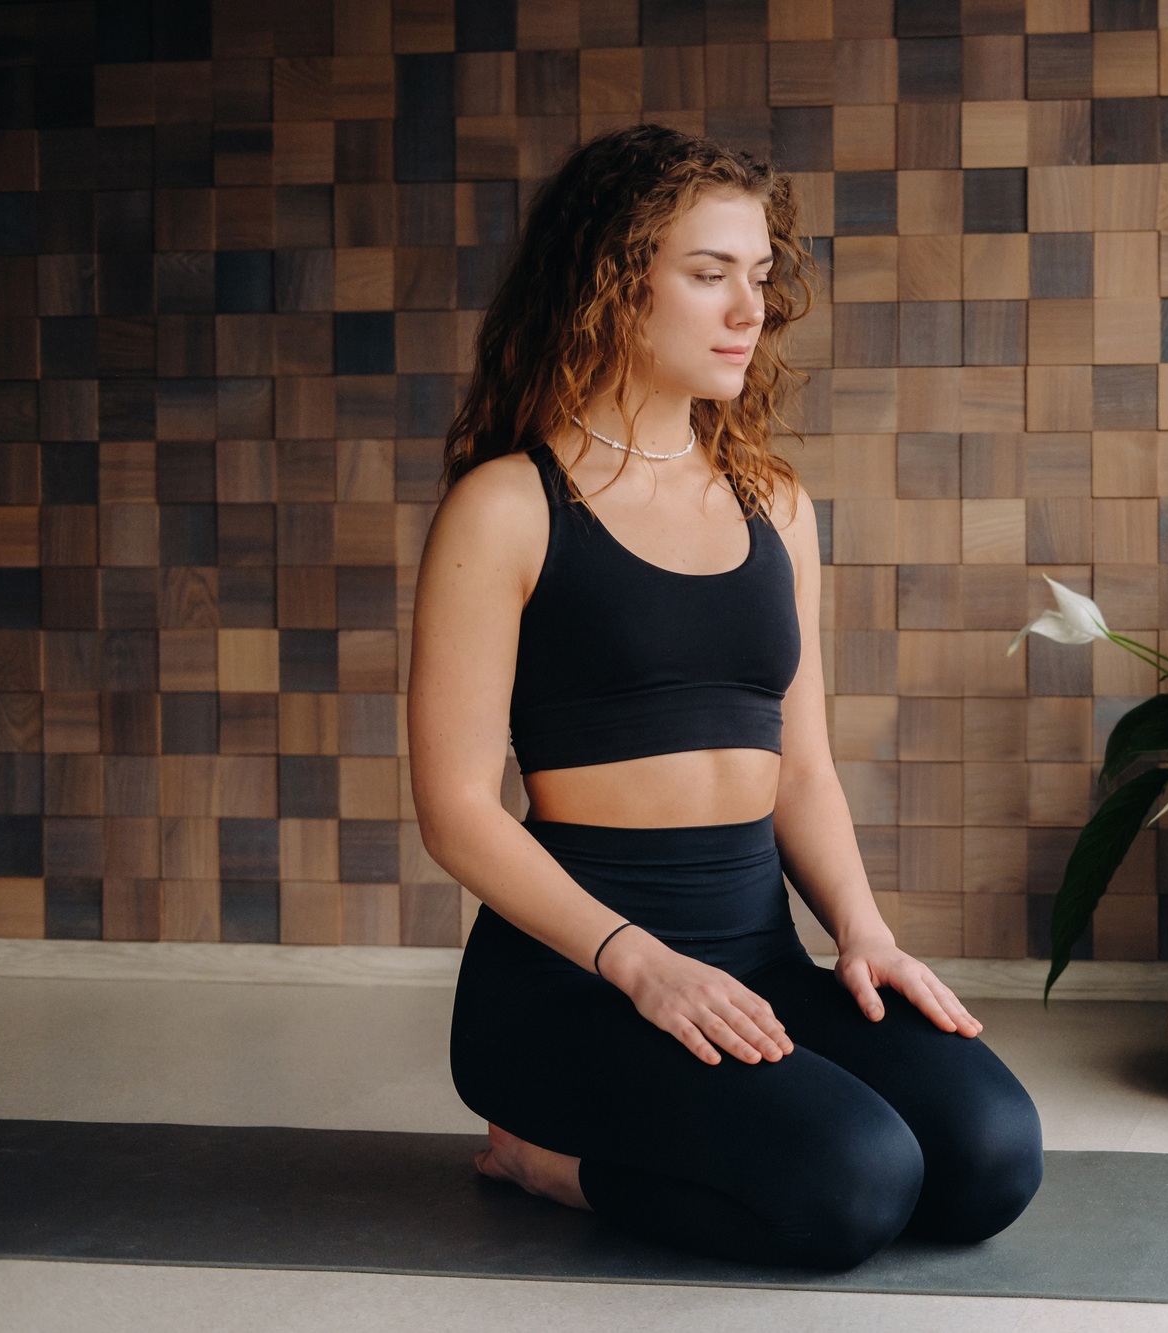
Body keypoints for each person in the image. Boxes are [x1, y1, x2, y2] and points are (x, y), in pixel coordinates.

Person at [406, 125, 1045, 1270]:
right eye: (708, 275)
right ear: (608, 284)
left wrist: (863, 933)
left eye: (757, 277)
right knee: (852, 1188)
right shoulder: (506, 507)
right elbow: (455, 808)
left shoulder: (774, 503)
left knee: (990, 1157)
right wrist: (639, 962)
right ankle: (546, 1159)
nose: (747, 309)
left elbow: (799, 765)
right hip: (577, 986)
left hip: (751, 965)